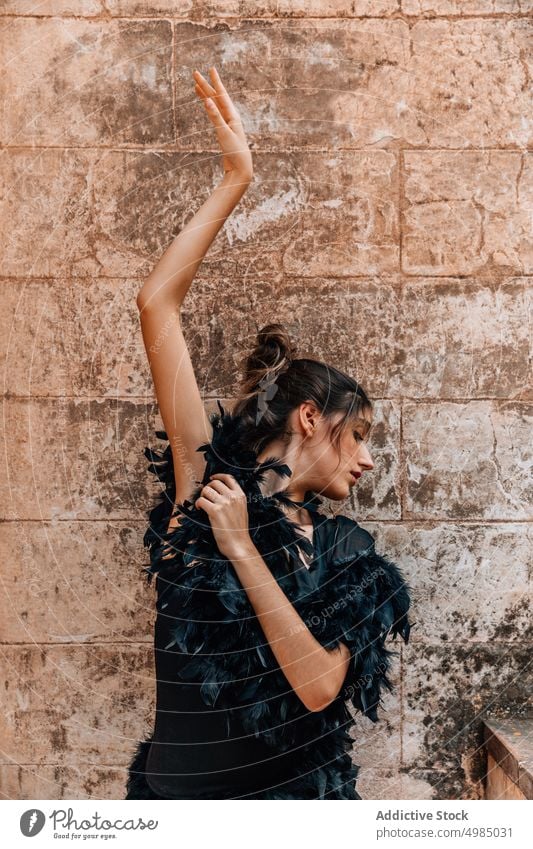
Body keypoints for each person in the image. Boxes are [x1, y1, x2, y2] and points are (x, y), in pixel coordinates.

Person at [125, 67, 412, 800]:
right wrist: (234, 178)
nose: (370, 457)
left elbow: (319, 686)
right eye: (362, 434)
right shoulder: (203, 483)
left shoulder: (350, 553)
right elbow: (157, 305)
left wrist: (242, 547)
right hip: (172, 821)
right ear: (312, 417)